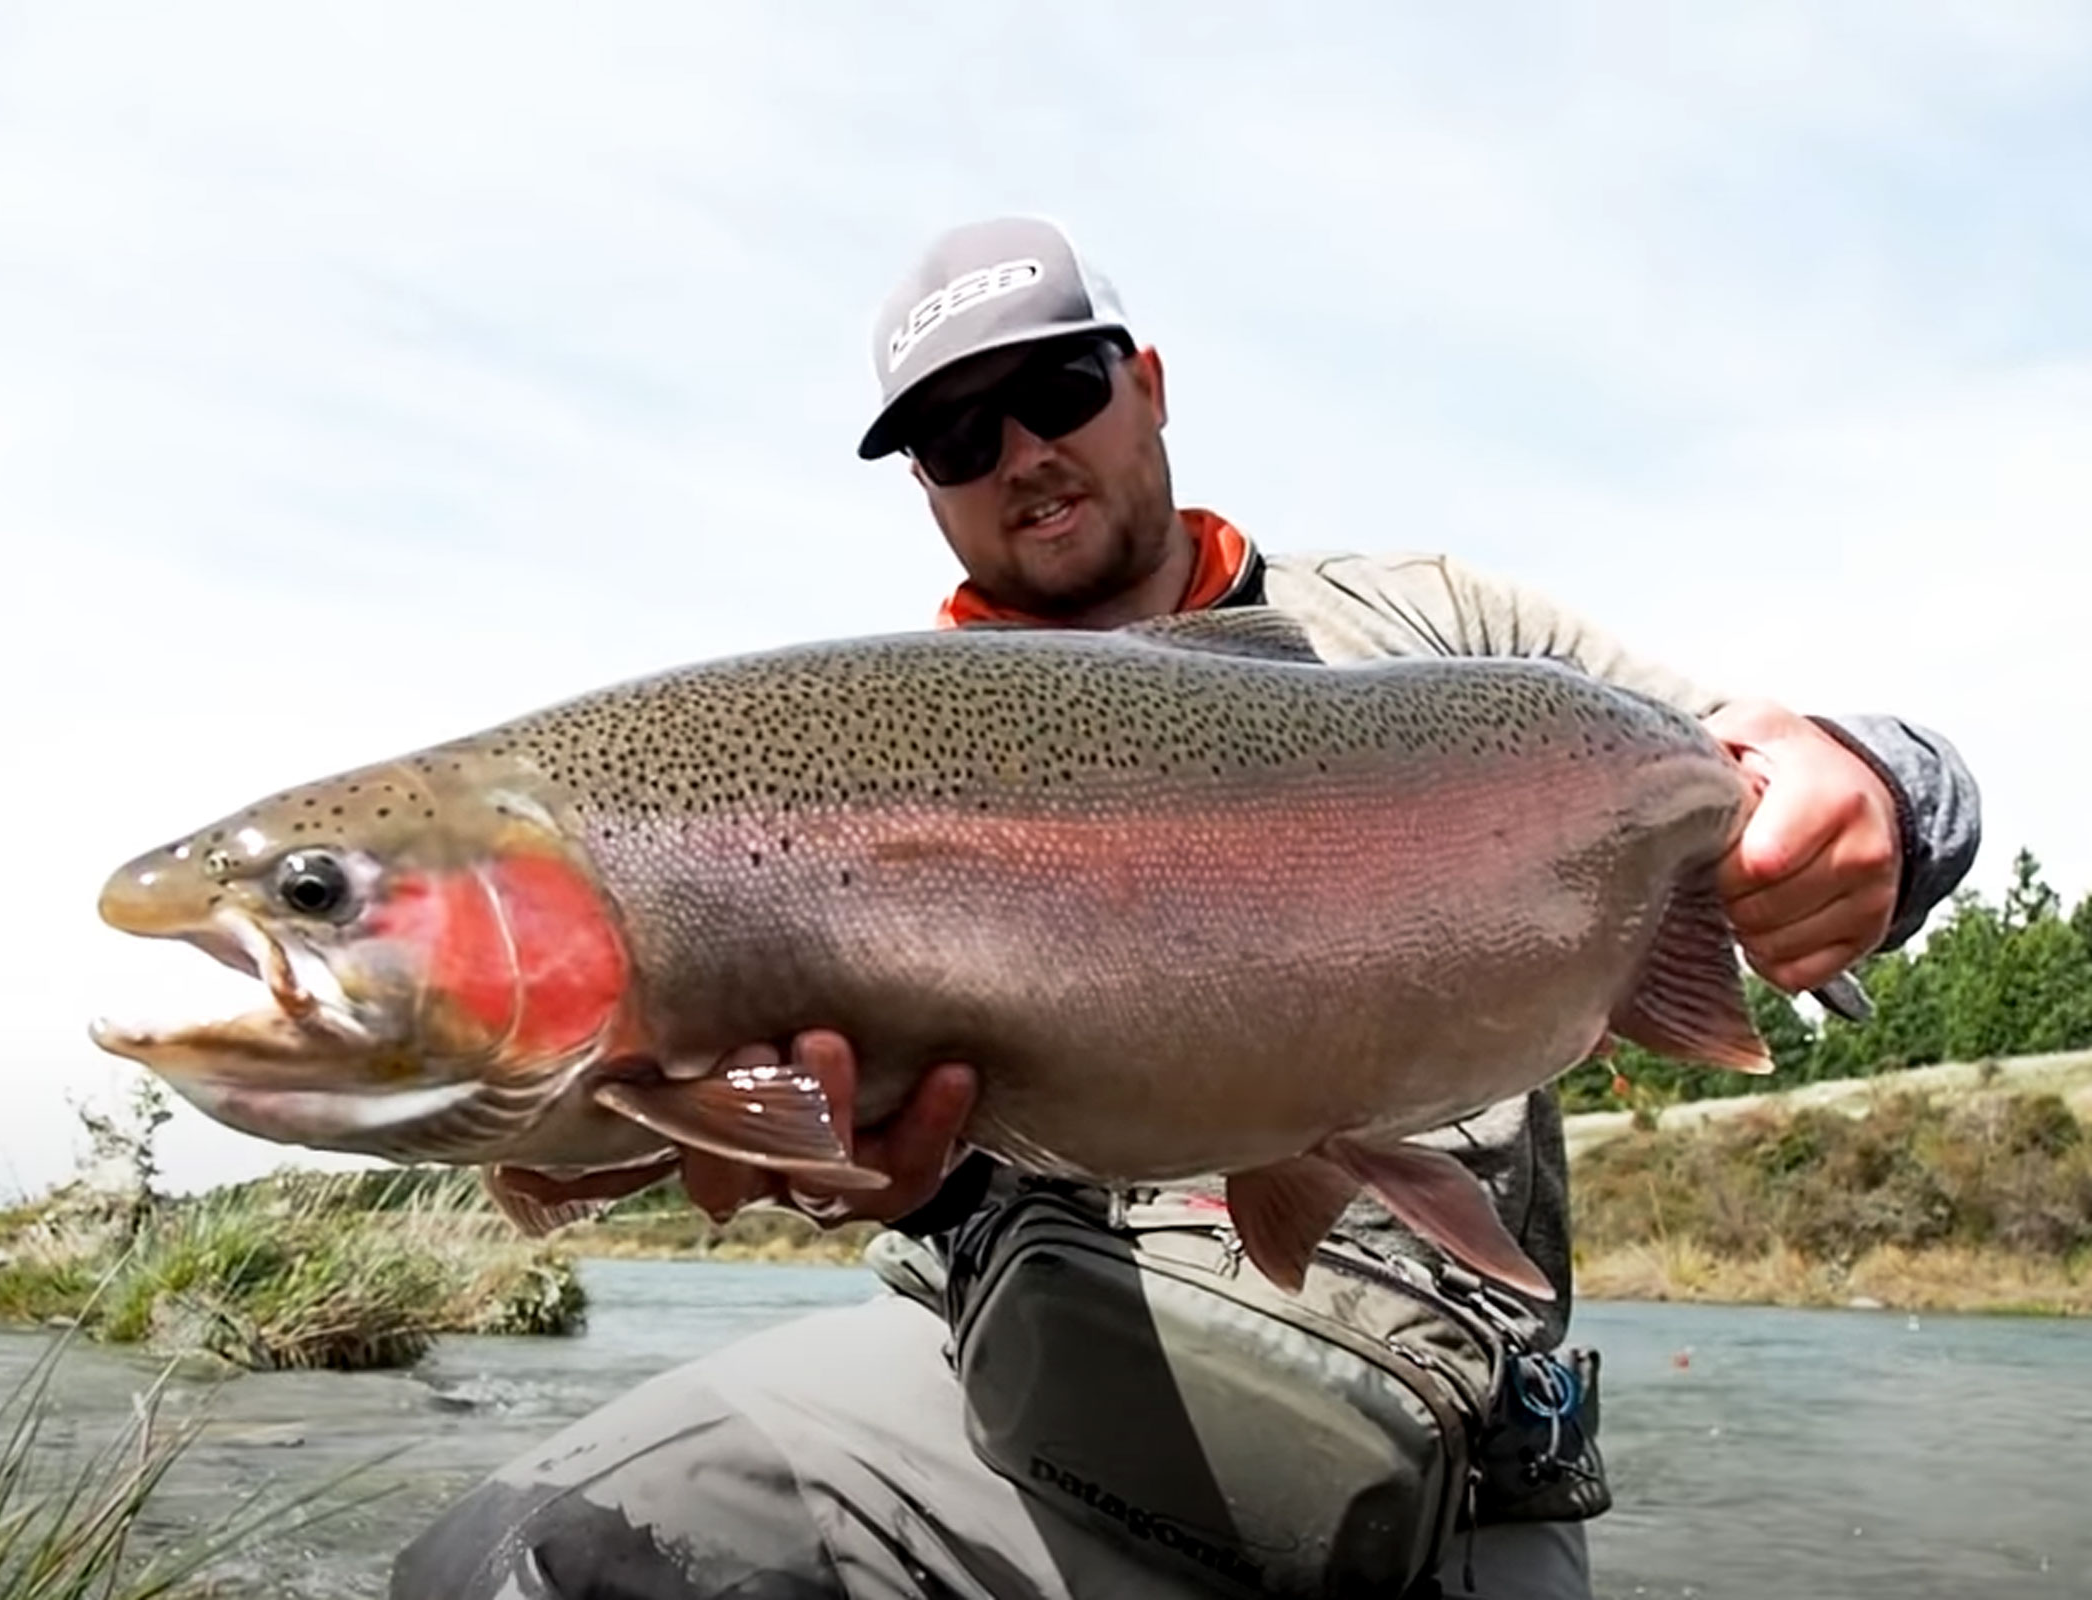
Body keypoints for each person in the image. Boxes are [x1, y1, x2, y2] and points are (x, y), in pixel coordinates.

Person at [389, 216, 1981, 1599]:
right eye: (957, 436)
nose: (1021, 451)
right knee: (513, 1562)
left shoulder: (1439, 625)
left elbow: (1765, 770)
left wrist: (1887, 792)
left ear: (1147, 387)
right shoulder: (855, 762)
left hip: (1446, 1465)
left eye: (1058, 391)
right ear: (926, 488)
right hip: (996, 1414)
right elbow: (750, 1123)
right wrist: (866, 1174)